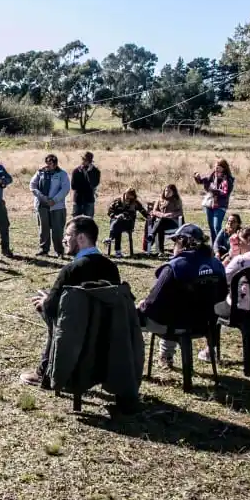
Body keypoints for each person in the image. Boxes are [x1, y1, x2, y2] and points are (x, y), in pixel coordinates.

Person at [20, 216, 121, 387]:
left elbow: (51, 309)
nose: (64, 240)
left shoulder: (71, 270)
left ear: (80, 238)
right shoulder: (111, 267)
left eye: (68, 235)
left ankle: (45, 372)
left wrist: (46, 301)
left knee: (50, 314)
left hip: (73, 335)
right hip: (103, 334)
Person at [137, 223, 226, 368]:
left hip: (174, 324)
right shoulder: (217, 264)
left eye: (175, 242)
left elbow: (154, 303)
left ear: (182, 242)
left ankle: (136, 362)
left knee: (132, 317)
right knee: (174, 307)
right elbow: (222, 296)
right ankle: (166, 355)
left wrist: (142, 306)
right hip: (205, 324)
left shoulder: (175, 267)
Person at [198, 225, 250, 362]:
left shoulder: (241, 260)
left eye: (240, 241)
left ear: (249, 240)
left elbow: (222, 276)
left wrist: (231, 256)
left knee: (212, 307)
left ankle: (211, 349)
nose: (238, 244)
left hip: (239, 309)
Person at [29, 154, 71, 257]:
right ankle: (44, 250)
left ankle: (59, 251)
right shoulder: (40, 172)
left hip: (57, 206)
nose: (48, 164)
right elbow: (32, 185)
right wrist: (42, 197)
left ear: (55, 164)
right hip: (42, 205)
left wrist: (54, 200)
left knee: (57, 230)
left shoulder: (62, 174)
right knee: (44, 229)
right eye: (47, 162)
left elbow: (65, 189)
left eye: (51, 163)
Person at [193, 158, 234, 241]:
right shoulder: (212, 176)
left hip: (220, 205)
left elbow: (225, 193)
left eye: (218, 167)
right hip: (209, 205)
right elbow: (202, 181)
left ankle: (222, 244)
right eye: (215, 167)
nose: (216, 169)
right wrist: (197, 177)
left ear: (224, 168)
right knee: (211, 228)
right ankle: (214, 247)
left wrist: (213, 191)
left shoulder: (228, 179)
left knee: (217, 227)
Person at [106, 189, 147, 257]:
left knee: (118, 225)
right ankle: (117, 252)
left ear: (133, 197)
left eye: (129, 196)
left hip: (128, 223)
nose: (127, 198)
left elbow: (142, 210)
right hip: (116, 222)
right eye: (126, 195)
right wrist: (115, 216)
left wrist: (148, 216)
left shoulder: (135, 203)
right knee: (118, 224)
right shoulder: (117, 201)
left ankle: (111, 240)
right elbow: (109, 211)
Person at [145, 184, 184, 255]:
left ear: (173, 192)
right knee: (161, 225)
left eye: (169, 191)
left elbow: (180, 212)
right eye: (166, 191)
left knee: (161, 223)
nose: (167, 192)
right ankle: (161, 251)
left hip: (172, 222)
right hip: (160, 222)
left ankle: (152, 235)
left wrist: (171, 214)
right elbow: (154, 211)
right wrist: (162, 215)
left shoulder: (176, 200)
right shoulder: (160, 199)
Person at [70, 152, 101, 217]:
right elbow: (73, 186)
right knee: (76, 223)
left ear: (90, 162)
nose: (83, 161)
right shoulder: (76, 171)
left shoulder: (96, 172)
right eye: (83, 159)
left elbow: (94, 184)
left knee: (88, 223)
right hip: (78, 200)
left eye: (86, 160)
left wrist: (89, 173)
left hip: (89, 200)